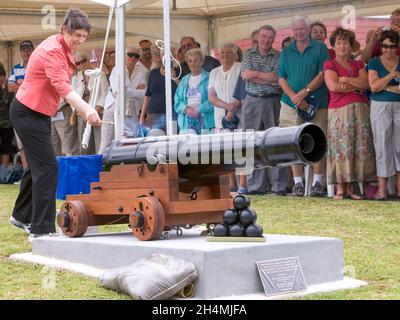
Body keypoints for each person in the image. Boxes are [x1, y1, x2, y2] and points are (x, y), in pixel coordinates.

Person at [9, 7, 102, 240]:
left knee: (41, 165)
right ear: (64, 30)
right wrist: (87, 108)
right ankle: (41, 229)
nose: (79, 40)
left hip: (38, 113)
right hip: (27, 112)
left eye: (83, 36)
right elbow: (63, 88)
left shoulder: (62, 46)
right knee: (49, 167)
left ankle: (20, 215)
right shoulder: (52, 50)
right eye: (76, 35)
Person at [278, 15, 330, 197]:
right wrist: (295, 97)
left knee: (317, 141)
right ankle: (298, 185)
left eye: (302, 29)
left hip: (316, 103)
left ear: (308, 29)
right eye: (296, 29)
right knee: (292, 142)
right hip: (290, 104)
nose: (299, 32)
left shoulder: (320, 48)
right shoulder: (286, 51)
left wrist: (305, 92)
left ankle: (317, 183)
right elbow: (281, 78)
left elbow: (323, 74)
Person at [324, 27, 375, 200]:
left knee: (356, 147)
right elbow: (333, 86)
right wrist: (354, 85)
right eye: (339, 42)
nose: (342, 46)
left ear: (350, 45)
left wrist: (345, 80)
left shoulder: (358, 64)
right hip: (339, 111)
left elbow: (366, 84)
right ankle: (340, 188)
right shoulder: (329, 64)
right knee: (341, 147)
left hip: (360, 110)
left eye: (345, 42)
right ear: (334, 45)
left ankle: (352, 188)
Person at [241, 25, 287, 196]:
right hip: (251, 101)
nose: (266, 40)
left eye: (269, 37)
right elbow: (245, 75)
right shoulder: (247, 54)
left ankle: (278, 186)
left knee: (275, 143)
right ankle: (255, 186)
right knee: (252, 143)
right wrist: (266, 78)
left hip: (272, 102)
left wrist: (255, 75)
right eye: (263, 36)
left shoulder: (278, 56)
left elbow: (276, 79)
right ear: (258, 37)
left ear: (273, 39)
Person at [368, 30, 400, 200]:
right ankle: (382, 189)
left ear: (397, 46)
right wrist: (393, 75)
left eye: (392, 46)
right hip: (379, 106)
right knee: (381, 145)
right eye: (385, 46)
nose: (388, 50)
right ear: (381, 46)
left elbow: (379, 86)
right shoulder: (374, 62)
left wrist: (385, 86)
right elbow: (373, 87)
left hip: (398, 106)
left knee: (399, 147)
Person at [8, 40, 34, 170]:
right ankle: (26, 173)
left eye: (28, 50)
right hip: (20, 110)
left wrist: (20, 82)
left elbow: (35, 86)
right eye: (24, 50)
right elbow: (10, 87)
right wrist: (25, 84)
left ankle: (35, 171)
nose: (26, 52)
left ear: (33, 51)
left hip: (34, 110)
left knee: (34, 141)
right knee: (21, 144)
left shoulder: (36, 65)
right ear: (20, 52)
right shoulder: (16, 68)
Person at [174, 48, 214, 134]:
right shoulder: (184, 79)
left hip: (205, 121)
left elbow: (214, 99)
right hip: (186, 122)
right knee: (187, 147)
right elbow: (177, 100)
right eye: (190, 61)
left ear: (201, 62)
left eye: (195, 61)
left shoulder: (210, 77)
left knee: (205, 147)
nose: (192, 64)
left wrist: (199, 109)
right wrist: (186, 109)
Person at [139, 60, 178, 133]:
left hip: (173, 114)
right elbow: (147, 95)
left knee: (172, 141)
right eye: (163, 54)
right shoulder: (153, 73)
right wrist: (142, 117)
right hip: (153, 114)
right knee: (153, 141)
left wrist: (175, 79)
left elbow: (183, 90)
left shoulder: (179, 71)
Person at [0, 63, 16, 167]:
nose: (0, 78)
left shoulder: (8, 88)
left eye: (2, 75)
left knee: (6, 149)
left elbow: (8, 102)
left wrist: (4, 88)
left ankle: (4, 172)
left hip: (8, 125)